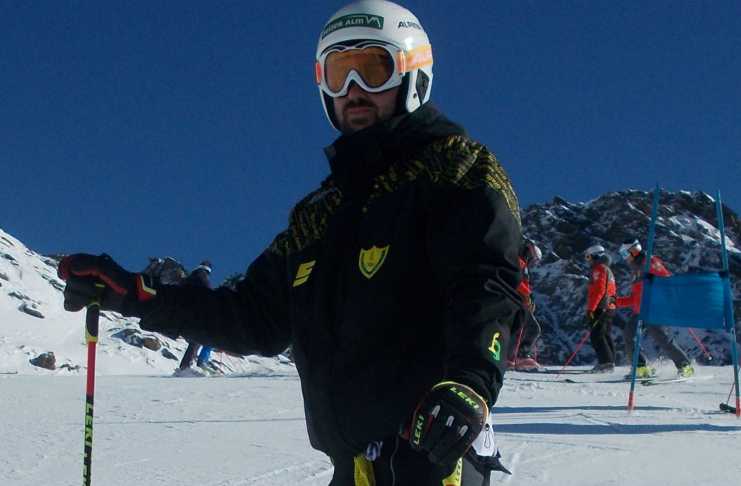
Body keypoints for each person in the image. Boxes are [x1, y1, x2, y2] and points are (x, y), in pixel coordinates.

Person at [56, 1, 523, 484]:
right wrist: (139, 297)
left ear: (413, 74)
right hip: (355, 467)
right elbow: (251, 318)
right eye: (338, 73)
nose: (353, 90)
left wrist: (471, 382)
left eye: (372, 69)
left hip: (436, 458)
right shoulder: (319, 216)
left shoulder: (456, 170)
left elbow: (488, 284)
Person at [616, 239, 694, 378]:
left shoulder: (650, 263)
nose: (624, 258)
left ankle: (685, 366)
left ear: (634, 251)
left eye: (624, 253)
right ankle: (641, 368)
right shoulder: (636, 269)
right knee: (629, 335)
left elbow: (667, 281)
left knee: (661, 338)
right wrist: (615, 302)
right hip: (640, 311)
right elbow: (634, 298)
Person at [508, 239, 543, 370]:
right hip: (516, 300)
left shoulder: (519, 262)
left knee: (518, 328)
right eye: (533, 259)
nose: (532, 263)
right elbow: (516, 281)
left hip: (516, 300)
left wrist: (529, 297)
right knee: (531, 328)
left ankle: (511, 357)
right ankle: (520, 356)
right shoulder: (518, 262)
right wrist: (527, 296)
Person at [176, 261, 215, 374]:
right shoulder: (202, 276)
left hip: (185, 311)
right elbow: (208, 292)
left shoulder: (190, 277)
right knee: (199, 338)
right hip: (196, 313)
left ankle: (188, 365)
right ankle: (187, 367)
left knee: (199, 339)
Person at [584, 245, 617, 373]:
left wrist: (591, 309)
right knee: (605, 334)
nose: (588, 260)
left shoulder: (599, 269)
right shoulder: (607, 269)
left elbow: (599, 289)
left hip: (601, 306)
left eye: (589, 257)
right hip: (609, 306)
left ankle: (606, 364)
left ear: (596, 256)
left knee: (597, 335)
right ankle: (609, 362)